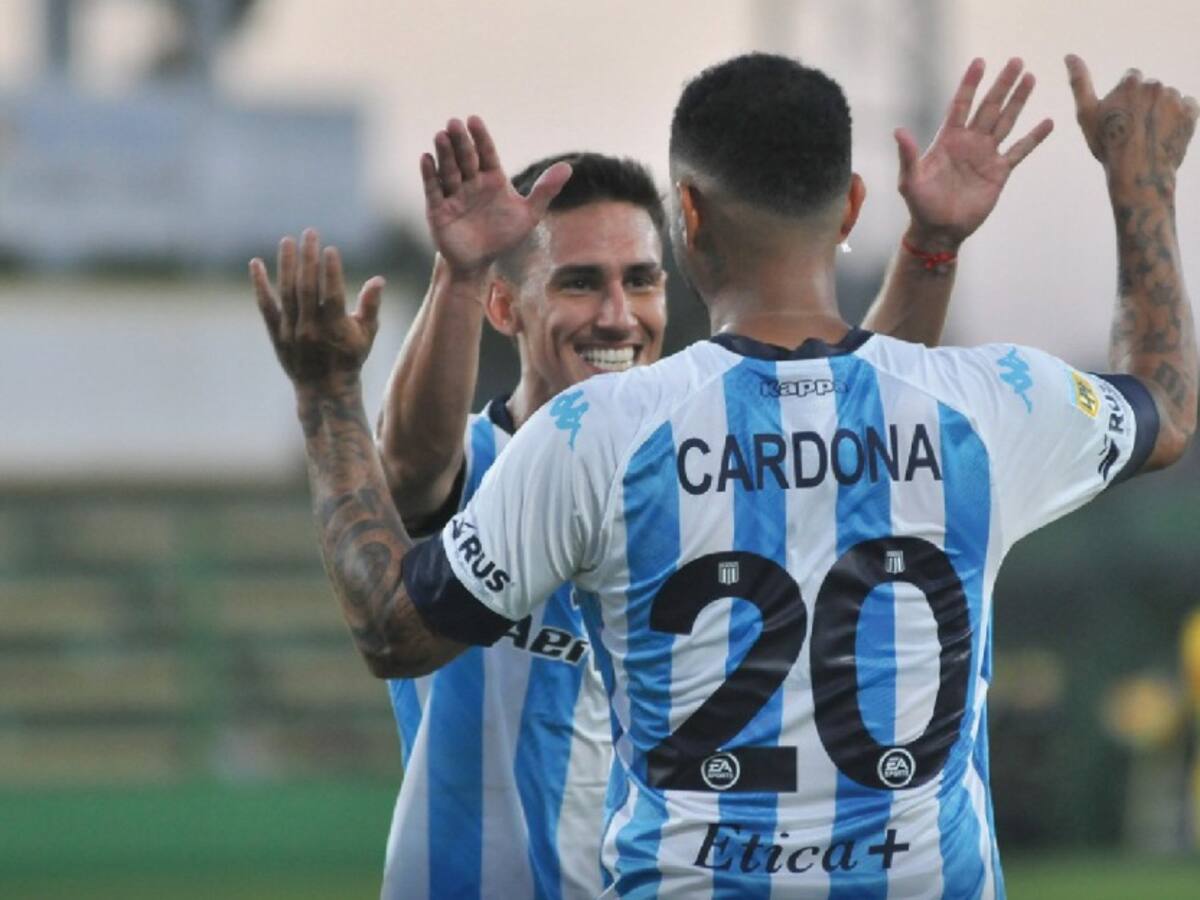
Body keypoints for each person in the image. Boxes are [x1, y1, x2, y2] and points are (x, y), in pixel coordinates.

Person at [249, 52, 1196, 896]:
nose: (616, 312)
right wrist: (1142, 181)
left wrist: (328, 395)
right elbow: (1162, 399)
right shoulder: (984, 405)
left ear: (686, 216)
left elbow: (390, 625)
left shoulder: (595, 435)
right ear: (854, 207)